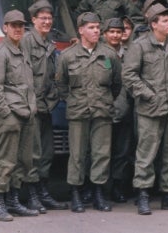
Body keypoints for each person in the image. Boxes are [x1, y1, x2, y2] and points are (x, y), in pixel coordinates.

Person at [123, 3, 168, 215]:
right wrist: (148, 94)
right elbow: (129, 76)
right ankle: (143, 194)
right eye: (164, 21)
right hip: (149, 109)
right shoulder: (140, 45)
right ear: (153, 24)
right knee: (146, 153)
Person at [56, 12, 123, 213]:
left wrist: (106, 100)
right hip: (78, 111)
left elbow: (116, 84)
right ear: (81, 30)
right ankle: (76, 193)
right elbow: (61, 84)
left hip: (102, 110)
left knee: (101, 153)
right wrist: (73, 100)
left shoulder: (109, 55)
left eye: (97, 27)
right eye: (92, 28)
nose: (96, 31)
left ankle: (98, 193)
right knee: (77, 154)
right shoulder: (67, 56)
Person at [0, 9, 39, 221]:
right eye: (13, 25)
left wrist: (31, 109)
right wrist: (7, 114)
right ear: (5, 28)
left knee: (22, 162)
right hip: (11, 116)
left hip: (26, 114)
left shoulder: (21, 51)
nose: (18, 29)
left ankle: (14, 201)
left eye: (20, 26)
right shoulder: (0, 53)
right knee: (5, 161)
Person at [21, 0, 68, 212]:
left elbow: (52, 78)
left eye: (49, 18)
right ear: (33, 20)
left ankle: (43, 192)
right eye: (43, 18)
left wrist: (50, 101)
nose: (47, 22)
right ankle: (32, 196)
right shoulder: (27, 41)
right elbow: (24, 77)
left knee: (47, 152)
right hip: (32, 108)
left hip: (45, 108)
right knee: (33, 154)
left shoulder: (49, 43)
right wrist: (33, 104)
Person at [103, 17, 136, 203]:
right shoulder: (99, 52)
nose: (116, 35)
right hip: (104, 109)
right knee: (99, 151)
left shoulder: (131, 52)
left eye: (119, 31)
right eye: (112, 32)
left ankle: (117, 187)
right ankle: (95, 188)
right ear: (105, 34)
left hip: (125, 109)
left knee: (122, 151)